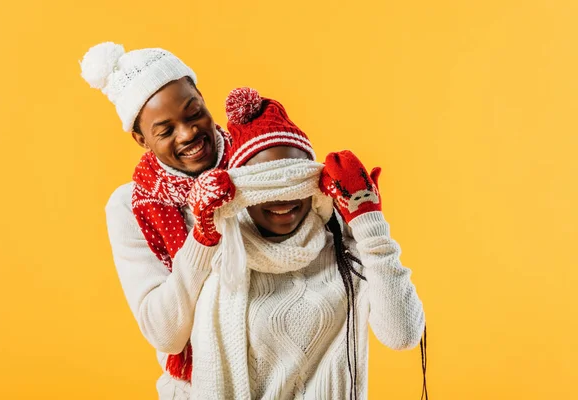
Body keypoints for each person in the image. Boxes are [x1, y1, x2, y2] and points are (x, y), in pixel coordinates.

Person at [184, 88, 426, 399]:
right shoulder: (226, 255)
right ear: (242, 192)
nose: (283, 198)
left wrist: (368, 220)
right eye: (267, 184)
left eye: (295, 181)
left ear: (317, 184)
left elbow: (402, 334)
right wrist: (203, 235)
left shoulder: (346, 248)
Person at [80, 42, 233, 398]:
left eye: (194, 113)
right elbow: (165, 332)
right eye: (165, 131)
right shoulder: (130, 208)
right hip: (199, 389)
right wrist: (203, 235)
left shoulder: (259, 157)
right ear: (141, 139)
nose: (188, 133)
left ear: (203, 99)